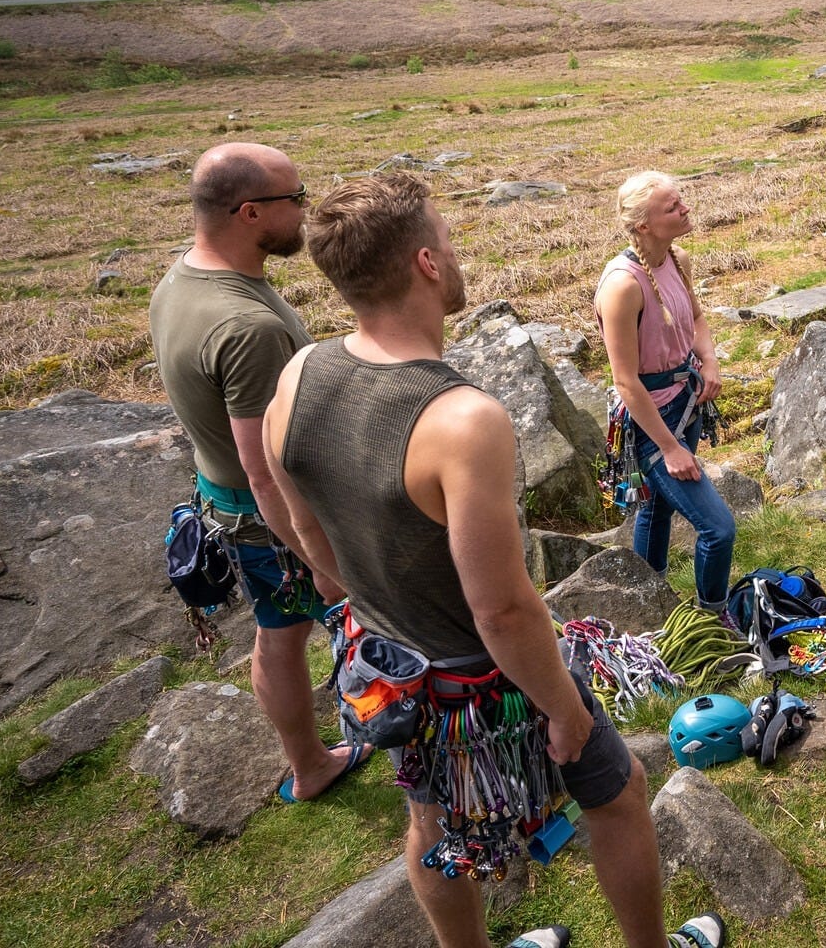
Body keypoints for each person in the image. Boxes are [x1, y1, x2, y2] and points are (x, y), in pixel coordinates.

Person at [261, 174, 725, 948]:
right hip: (485, 681)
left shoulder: (301, 374)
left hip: (385, 666)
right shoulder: (460, 418)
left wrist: (354, 598)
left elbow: (294, 517)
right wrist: (566, 711)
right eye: (444, 239)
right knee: (617, 792)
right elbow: (502, 610)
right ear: (426, 264)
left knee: (429, 816)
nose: (452, 249)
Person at [149, 142, 368, 804]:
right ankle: (349, 760)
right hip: (267, 519)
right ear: (250, 213)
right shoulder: (246, 326)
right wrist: (323, 561)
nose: (305, 210)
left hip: (224, 502)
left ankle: (309, 762)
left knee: (278, 631)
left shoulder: (182, 279)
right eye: (295, 199)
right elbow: (266, 470)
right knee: (326, 633)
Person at [594, 171, 735, 618]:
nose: (685, 209)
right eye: (673, 207)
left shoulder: (676, 258)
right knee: (718, 528)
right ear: (643, 226)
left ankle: (649, 607)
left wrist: (709, 361)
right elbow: (626, 382)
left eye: (682, 201)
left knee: (654, 512)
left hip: (686, 401)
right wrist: (670, 448)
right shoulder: (623, 287)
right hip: (651, 423)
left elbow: (696, 319)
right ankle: (713, 617)